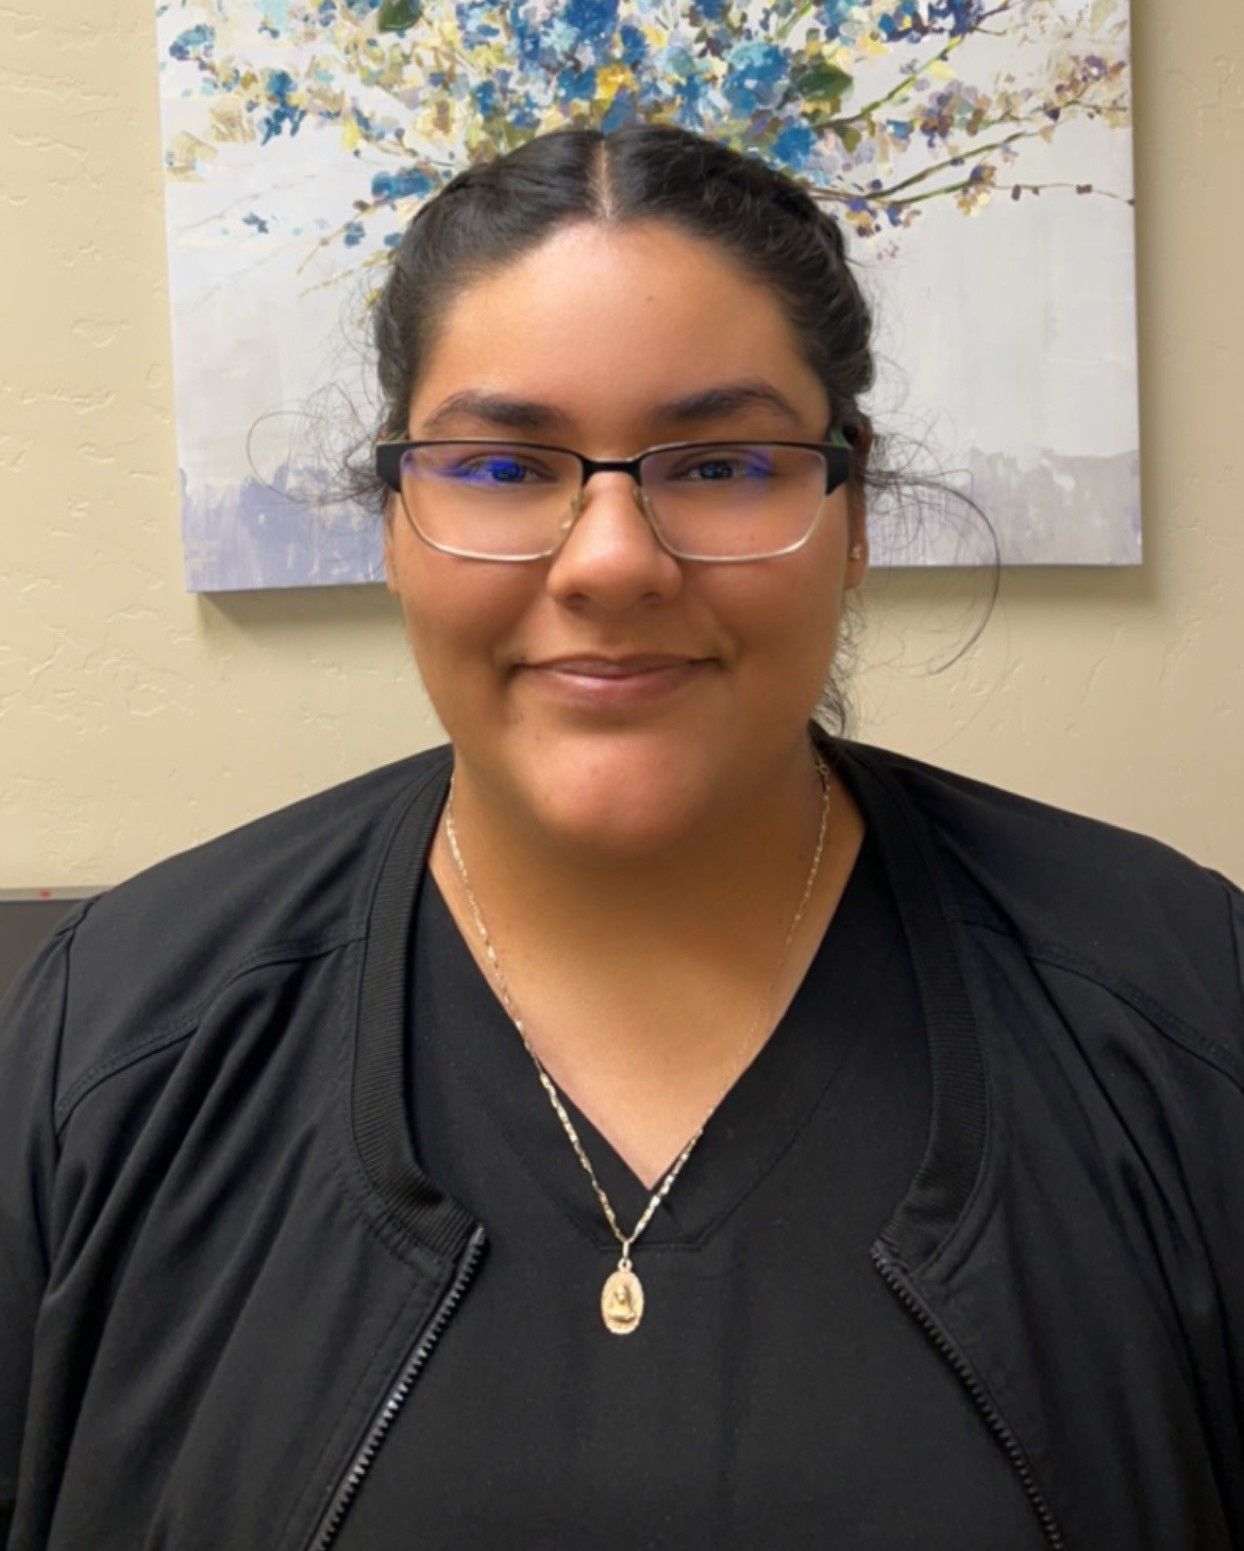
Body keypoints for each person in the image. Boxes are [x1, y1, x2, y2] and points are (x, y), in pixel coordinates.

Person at [1, 120, 1241, 1551]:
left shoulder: (1184, 1006)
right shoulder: (121, 1032)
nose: (610, 561)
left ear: (850, 514)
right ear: (394, 522)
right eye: (502, 468)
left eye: (719, 466)